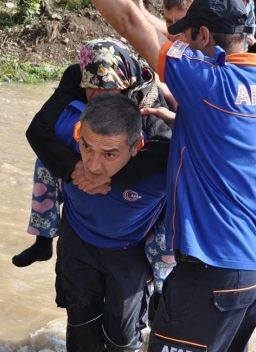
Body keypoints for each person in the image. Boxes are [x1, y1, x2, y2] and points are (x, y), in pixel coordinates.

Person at [54, 0, 256, 352]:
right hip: (254, 271)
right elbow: (220, 134)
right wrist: (175, 118)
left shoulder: (209, 84)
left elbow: (128, 24)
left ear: (203, 36)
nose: (182, 42)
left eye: (189, 35)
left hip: (211, 271)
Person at [13, 38, 172, 268]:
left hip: (123, 159)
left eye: (106, 88)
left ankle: (161, 275)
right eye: (91, 87)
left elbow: (165, 148)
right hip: (89, 146)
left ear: (125, 82)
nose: (97, 95)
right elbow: (37, 130)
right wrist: (74, 168)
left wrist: (108, 175)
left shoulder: (145, 92)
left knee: (171, 189)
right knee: (44, 160)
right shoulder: (75, 77)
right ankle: (43, 238)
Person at [53, 92, 167, 351]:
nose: (93, 166)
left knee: (122, 340)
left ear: (137, 147)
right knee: (81, 329)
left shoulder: (162, 172)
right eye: (86, 148)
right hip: (77, 242)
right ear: (78, 132)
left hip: (130, 251)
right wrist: (69, 165)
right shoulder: (63, 133)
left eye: (110, 154)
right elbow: (37, 130)